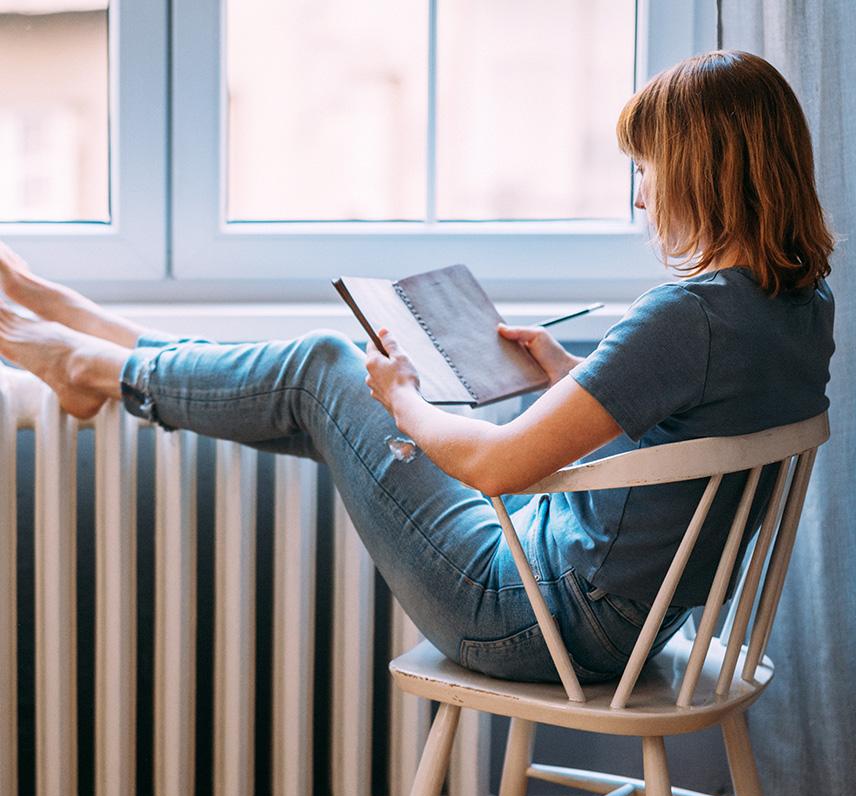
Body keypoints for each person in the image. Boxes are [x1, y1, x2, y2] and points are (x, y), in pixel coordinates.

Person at [0, 49, 835, 685]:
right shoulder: (796, 310)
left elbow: (494, 467)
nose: (642, 196)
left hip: (532, 617)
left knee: (323, 368)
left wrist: (402, 397)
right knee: (311, 389)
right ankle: (114, 353)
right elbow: (699, 419)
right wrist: (562, 371)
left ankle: (101, 362)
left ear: (702, 172)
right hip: (626, 618)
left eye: (647, 171)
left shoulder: (685, 317)